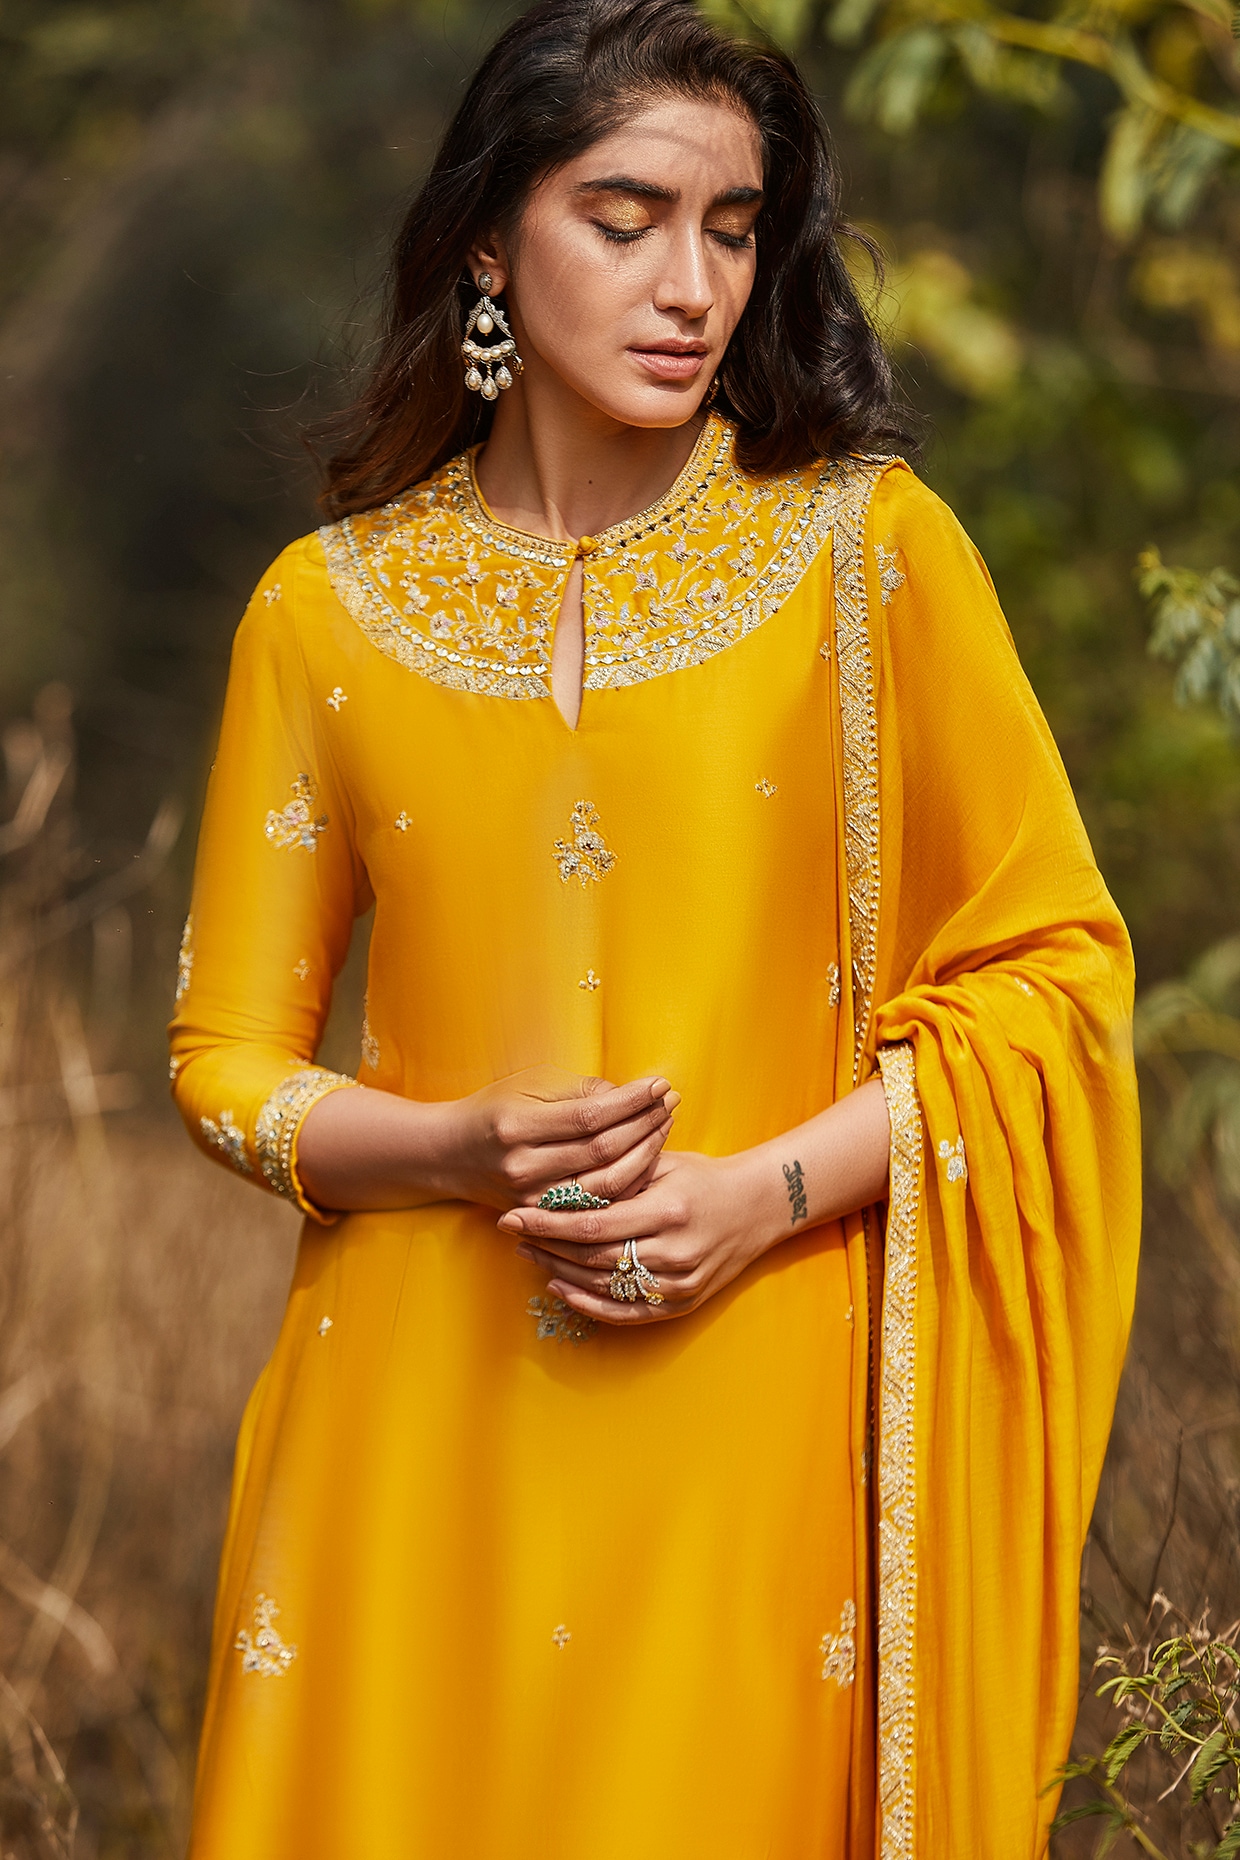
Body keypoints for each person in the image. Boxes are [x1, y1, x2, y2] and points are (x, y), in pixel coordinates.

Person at [169, 1, 1141, 1853]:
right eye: (623, 219)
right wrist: (447, 1147)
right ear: (487, 239)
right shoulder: (327, 609)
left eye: (732, 224)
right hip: (411, 1437)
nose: (689, 282)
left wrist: (757, 1197)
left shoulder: (868, 557)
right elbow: (219, 1065)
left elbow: (1057, 981)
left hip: (750, 1408)